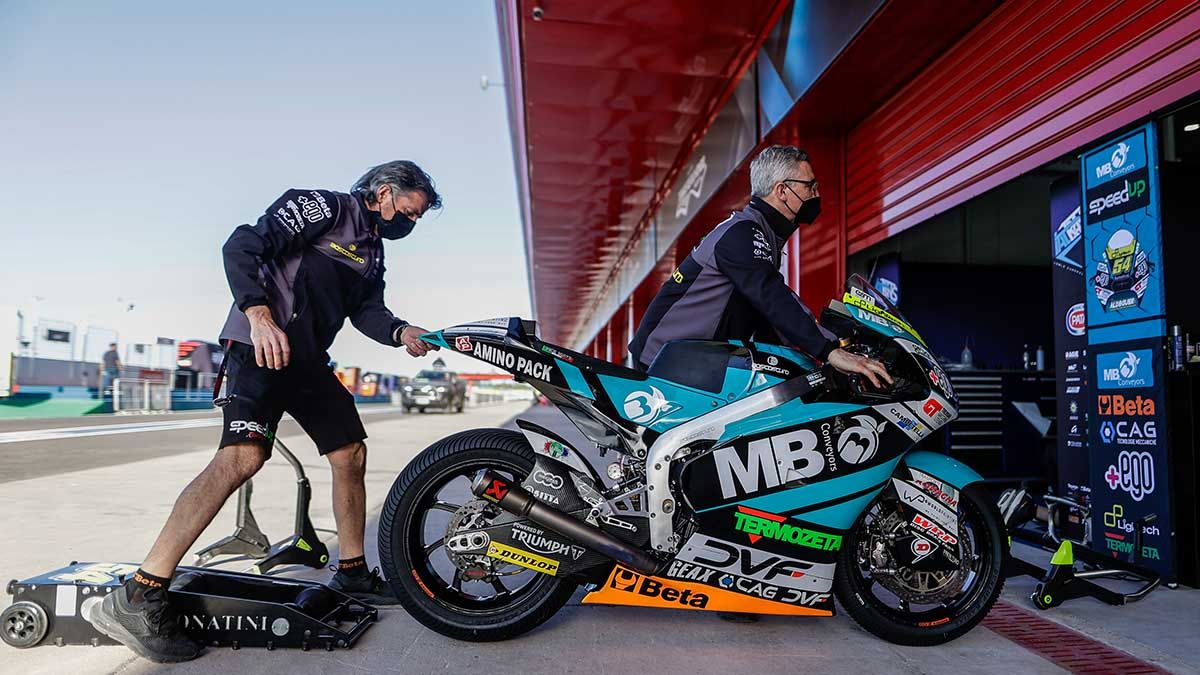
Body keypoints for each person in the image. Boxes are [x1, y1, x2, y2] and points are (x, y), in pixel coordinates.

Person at [92, 161, 442, 662]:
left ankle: (352, 571)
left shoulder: (372, 253)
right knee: (242, 459)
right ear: (383, 192)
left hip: (307, 360)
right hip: (260, 346)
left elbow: (369, 311)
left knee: (350, 453)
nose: (410, 223)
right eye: (409, 211)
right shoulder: (323, 207)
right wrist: (257, 315)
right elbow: (242, 244)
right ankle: (140, 593)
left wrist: (401, 332)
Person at [629, 144, 891, 389]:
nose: (816, 194)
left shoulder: (759, 234)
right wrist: (829, 351)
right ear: (781, 191)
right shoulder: (742, 234)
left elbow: (774, 303)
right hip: (664, 362)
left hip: (693, 359)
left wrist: (836, 338)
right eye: (810, 185)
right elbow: (770, 297)